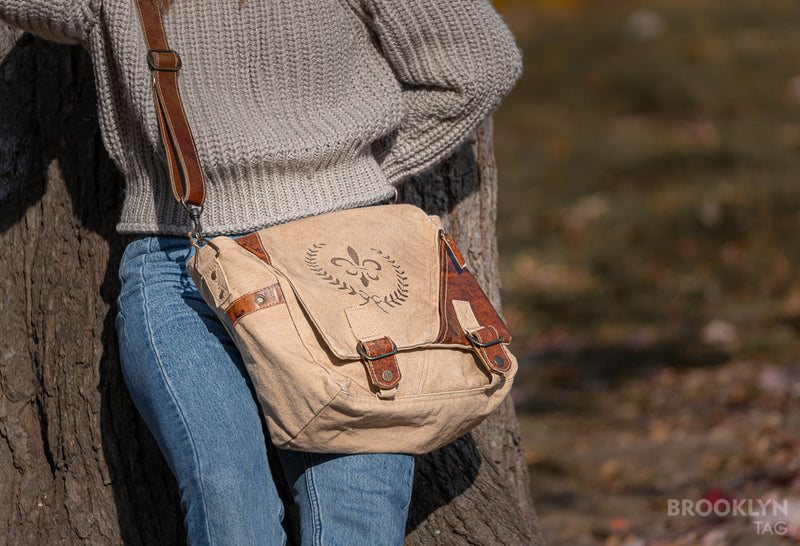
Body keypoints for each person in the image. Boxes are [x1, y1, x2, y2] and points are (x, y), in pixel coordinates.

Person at [0, 0, 521, 544]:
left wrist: (348, 175)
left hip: (336, 265)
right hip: (182, 263)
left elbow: (477, 63)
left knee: (354, 518)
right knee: (231, 514)